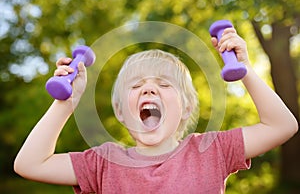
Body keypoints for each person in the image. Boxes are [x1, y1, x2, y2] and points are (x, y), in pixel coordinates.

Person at [14, 27, 298, 193]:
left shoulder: (211, 150)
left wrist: (245, 69)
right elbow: (29, 164)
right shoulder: (103, 163)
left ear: (186, 109)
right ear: (121, 111)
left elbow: (282, 126)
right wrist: (66, 104)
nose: (149, 90)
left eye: (163, 84)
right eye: (136, 86)